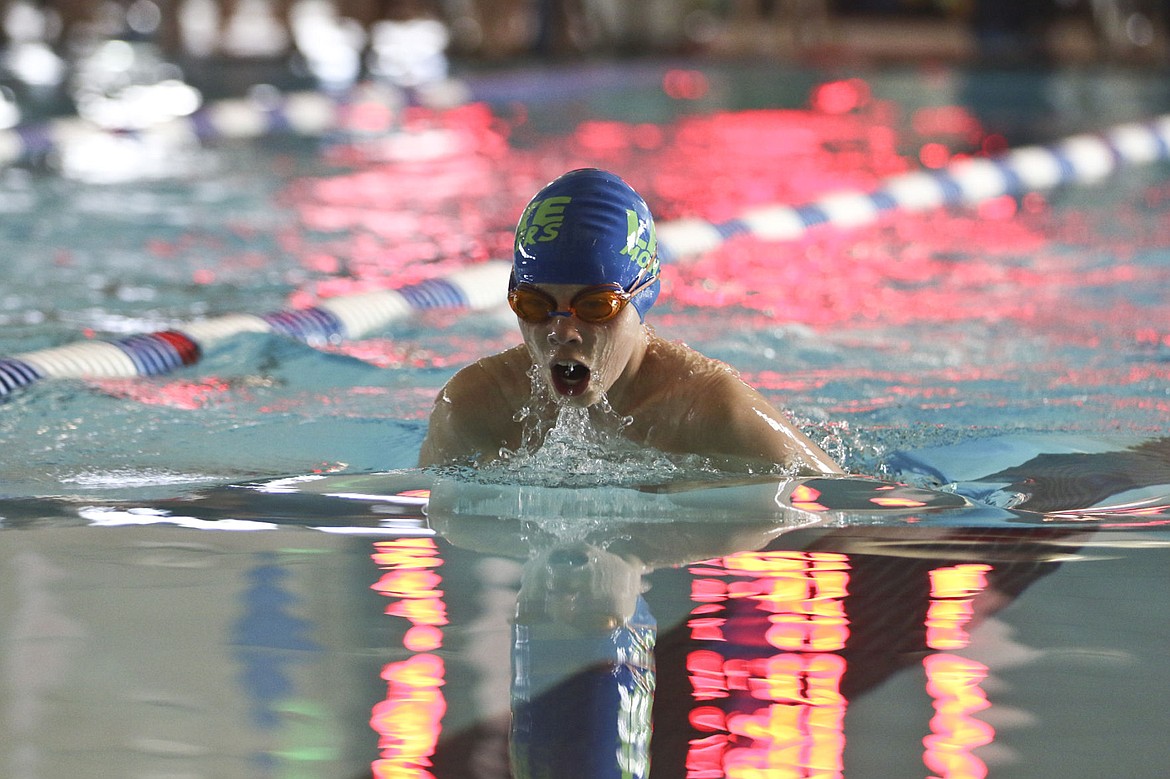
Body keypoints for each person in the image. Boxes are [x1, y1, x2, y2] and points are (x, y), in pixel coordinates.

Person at [418, 168, 843, 475]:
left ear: (644, 296)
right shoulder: (474, 407)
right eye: (534, 305)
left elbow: (838, 506)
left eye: (596, 307)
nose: (562, 331)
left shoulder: (711, 411)